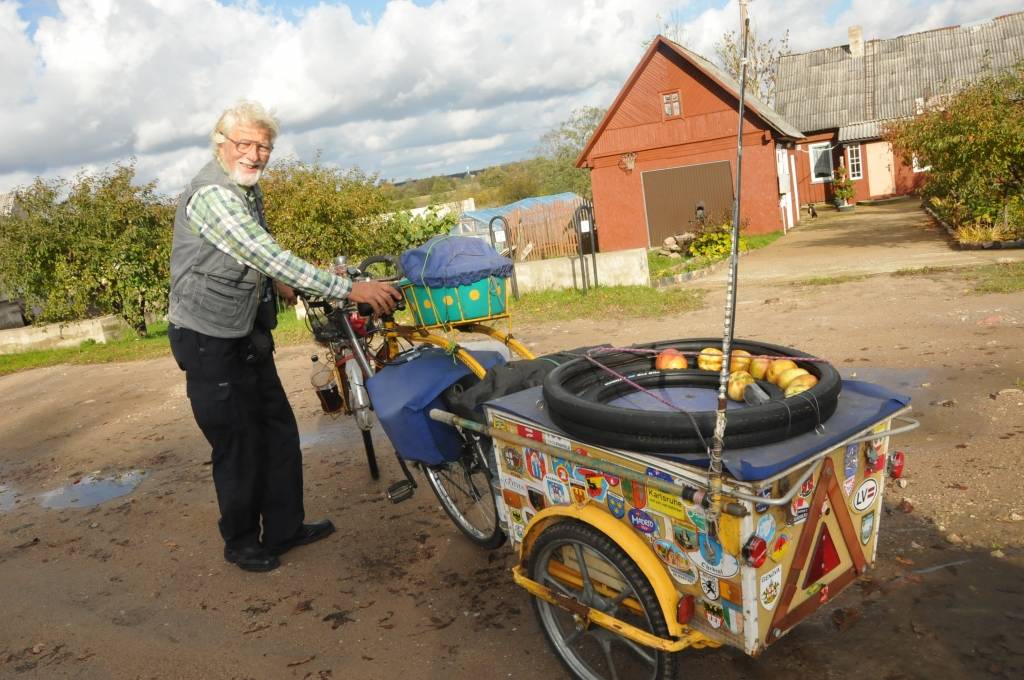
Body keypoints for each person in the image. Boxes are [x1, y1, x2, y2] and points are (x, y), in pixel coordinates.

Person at [167, 100, 401, 573]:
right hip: (207, 336)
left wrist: (275, 281)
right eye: (245, 144)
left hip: (246, 329)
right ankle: (240, 541)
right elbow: (264, 251)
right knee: (237, 441)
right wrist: (348, 287)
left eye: (263, 147)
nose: (254, 155)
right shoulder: (212, 194)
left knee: (276, 429)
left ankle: (284, 527)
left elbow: (254, 246)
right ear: (221, 144)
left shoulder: (246, 188)